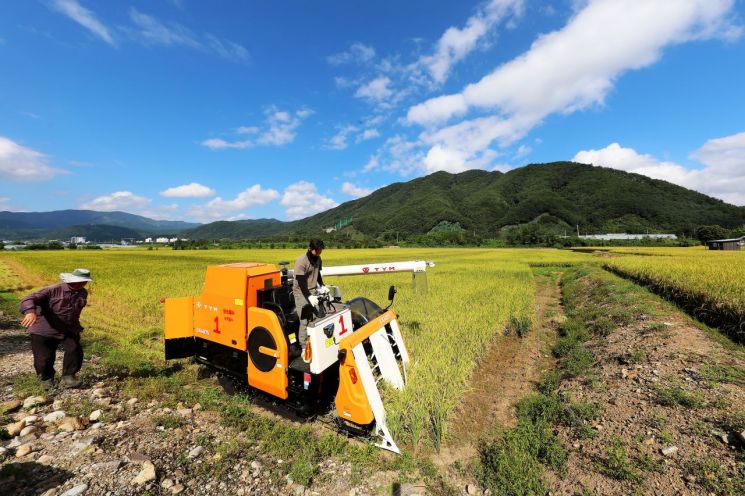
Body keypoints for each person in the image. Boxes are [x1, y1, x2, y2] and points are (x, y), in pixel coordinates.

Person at [19, 268, 93, 391]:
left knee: (74, 349)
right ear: (71, 279)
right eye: (79, 281)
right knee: (43, 358)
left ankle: (68, 377)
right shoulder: (53, 290)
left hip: (68, 327)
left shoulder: (83, 292)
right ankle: (46, 379)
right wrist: (30, 312)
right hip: (44, 328)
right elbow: (28, 299)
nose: (82, 284)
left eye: (85, 281)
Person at [292, 239, 327, 361]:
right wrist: (309, 296)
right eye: (316, 250)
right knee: (304, 319)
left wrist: (322, 285)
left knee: (316, 316)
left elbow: (317, 274)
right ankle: (303, 347)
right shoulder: (301, 261)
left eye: (320, 250)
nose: (318, 252)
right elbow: (301, 282)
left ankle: (313, 340)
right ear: (310, 248)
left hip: (312, 290)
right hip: (301, 292)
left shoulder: (318, 259)